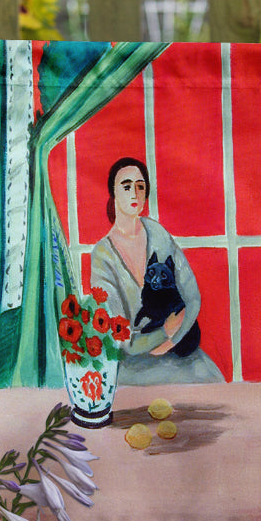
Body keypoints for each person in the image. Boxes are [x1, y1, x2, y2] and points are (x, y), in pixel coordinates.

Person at [89, 157, 224, 385]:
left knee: (214, 385)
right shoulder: (103, 255)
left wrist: (173, 341)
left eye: (141, 186)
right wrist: (165, 332)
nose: (135, 193)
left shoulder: (158, 234)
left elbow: (192, 298)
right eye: (126, 186)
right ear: (113, 192)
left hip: (180, 350)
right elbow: (123, 340)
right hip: (134, 366)